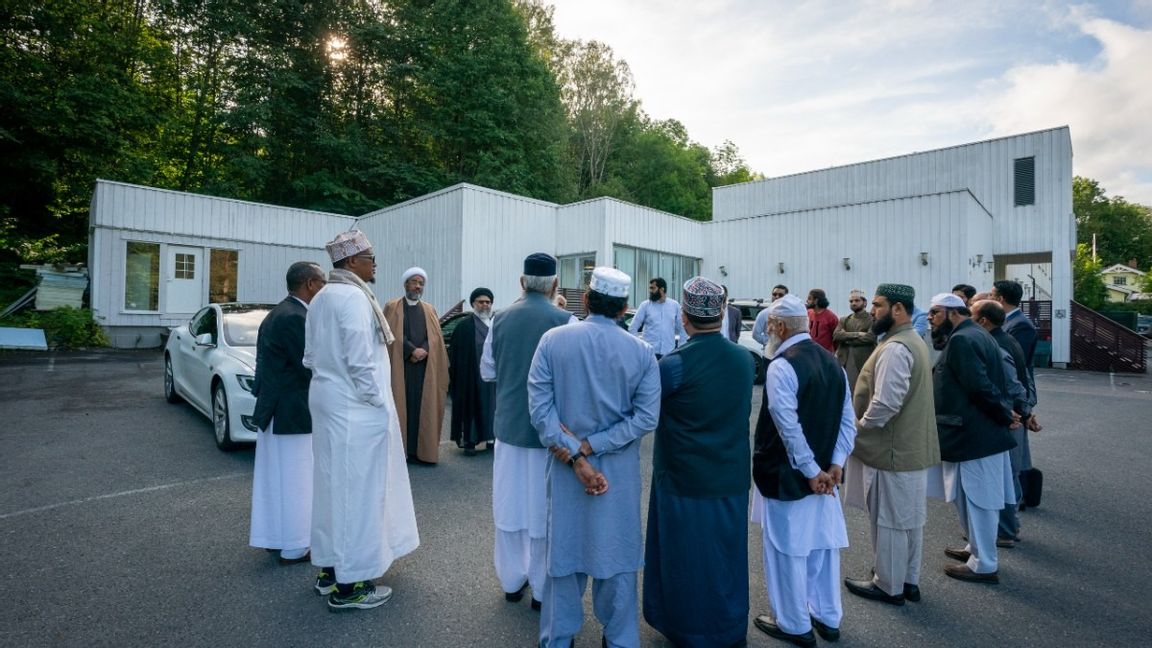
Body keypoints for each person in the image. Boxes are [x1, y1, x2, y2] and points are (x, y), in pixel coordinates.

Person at [528, 267, 661, 648]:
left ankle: (558, 638)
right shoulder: (641, 352)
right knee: (616, 558)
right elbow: (647, 417)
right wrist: (594, 446)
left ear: (585, 301)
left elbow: (540, 412)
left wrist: (575, 456)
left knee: (564, 556)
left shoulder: (553, 341)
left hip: (566, 469)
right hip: (617, 473)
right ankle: (620, 638)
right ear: (624, 309)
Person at [304, 229, 419, 611]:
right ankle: (350, 585)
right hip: (355, 409)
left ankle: (329, 569)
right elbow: (359, 362)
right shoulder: (352, 297)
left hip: (330, 403)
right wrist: (378, 403)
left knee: (332, 489)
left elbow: (310, 357)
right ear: (352, 261)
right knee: (358, 494)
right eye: (370, 257)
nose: (375, 264)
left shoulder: (321, 297)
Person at [643, 277, 753, 647]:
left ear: (685, 319)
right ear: (721, 314)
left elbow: (647, 412)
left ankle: (690, 631)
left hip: (683, 479)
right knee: (725, 558)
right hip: (731, 477)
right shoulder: (743, 359)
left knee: (686, 559)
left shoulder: (674, 364)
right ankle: (727, 628)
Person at [751, 294, 855, 648]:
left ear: (780, 327)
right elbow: (848, 423)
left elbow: (787, 426)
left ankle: (793, 623)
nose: (768, 334)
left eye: (769, 328)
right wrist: (836, 464)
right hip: (826, 474)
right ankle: (827, 616)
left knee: (786, 550)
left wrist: (812, 471)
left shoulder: (783, 365)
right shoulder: (833, 364)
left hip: (790, 474)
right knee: (822, 548)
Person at [480, 253, 574, 609]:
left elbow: (487, 371)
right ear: (554, 285)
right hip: (550, 434)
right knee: (544, 510)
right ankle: (542, 585)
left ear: (522, 282)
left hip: (508, 427)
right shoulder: (566, 319)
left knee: (509, 505)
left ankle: (511, 579)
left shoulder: (499, 318)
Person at [842, 284, 940, 606]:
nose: (872, 311)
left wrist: (858, 428)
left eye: (878, 305)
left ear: (897, 309)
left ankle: (888, 584)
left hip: (892, 450)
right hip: (909, 449)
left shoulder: (896, 348)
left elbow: (885, 404)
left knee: (890, 521)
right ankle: (907, 580)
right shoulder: (913, 341)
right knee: (909, 520)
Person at [927, 293, 1016, 584]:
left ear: (954, 313)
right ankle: (975, 549)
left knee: (979, 499)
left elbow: (979, 387)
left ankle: (984, 563)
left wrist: (1005, 415)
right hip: (972, 432)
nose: (930, 318)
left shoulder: (964, 339)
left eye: (935, 312)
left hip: (974, 433)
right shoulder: (972, 334)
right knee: (968, 497)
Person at [249, 261, 327, 565]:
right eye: (322, 283)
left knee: (278, 480)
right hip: (291, 413)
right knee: (297, 480)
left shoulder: (278, 313)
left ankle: (278, 538)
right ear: (309, 284)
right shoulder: (296, 317)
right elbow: (308, 366)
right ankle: (295, 546)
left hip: (275, 408)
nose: (324, 289)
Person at [970, 299, 1033, 547]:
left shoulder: (997, 344)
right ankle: (1007, 527)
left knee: (1005, 476)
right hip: (1009, 415)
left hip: (1006, 418)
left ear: (984, 320)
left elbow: (1014, 383)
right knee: (1007, 475)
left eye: (971, 315)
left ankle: (1006, 530)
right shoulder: (1005, 339)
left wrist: (1021, 412)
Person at [383, 267, 449, 465]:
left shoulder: (429, 309)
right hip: (400, 369)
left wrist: (424, 351)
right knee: (402, 407)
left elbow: (435, 336)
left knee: (423, 408)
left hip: (424, 370)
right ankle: (401, 452)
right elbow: (389, 335)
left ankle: (422, 451)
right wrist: (411, 350)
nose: (418, 287)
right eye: (414, 282)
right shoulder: (392, 306)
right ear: (405, 284)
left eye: (421, 283)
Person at [449, 287, 496, 457]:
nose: (485, 305)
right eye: (481, 302)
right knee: (471, 408)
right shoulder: (464, 327)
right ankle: (470, 441)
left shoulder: (496, 325)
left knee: (492, 407)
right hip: (471, 376)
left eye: (488, 302)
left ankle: (491, 438)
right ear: (473, 304)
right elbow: (455, 356)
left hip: (492, 378)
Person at [628, 277, 685, 359]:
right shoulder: (645, 305)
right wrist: (639, 348)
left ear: (662, 289)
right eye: (650, 288)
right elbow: (632, 328)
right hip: (649, 354)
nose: (650, 291)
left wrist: (680, 350)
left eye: (653, 288)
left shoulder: (674, 305)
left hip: (668, 353)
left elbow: (682, 329)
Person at [832, 289, 876, 391]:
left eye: (857, 301)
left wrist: (846, 338)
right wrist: (858, 334)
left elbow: (870, 337)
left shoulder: (872, 319)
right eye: (851, 301)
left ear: (864, 303)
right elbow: (836, 336)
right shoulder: (844, 320)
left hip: (863, 361)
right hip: (844, 360)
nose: (853, 303)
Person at [806, 289, 838, 353]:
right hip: (809, 353)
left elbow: (836, 338)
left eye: (809, 299)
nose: (807, 301)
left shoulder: (831, 317)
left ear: (816, 300)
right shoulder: (808, 313)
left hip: (824, 355)